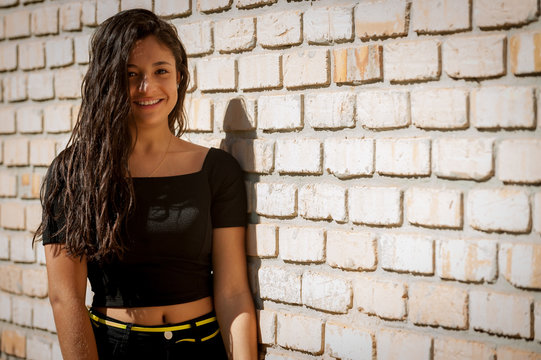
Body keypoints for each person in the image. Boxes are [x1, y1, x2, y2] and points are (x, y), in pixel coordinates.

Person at [33, 9, 257, 360]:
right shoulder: (74, 172)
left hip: (201, 346)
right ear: (108, 82)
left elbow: (232, 291)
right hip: (114, 348)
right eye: (131, 75)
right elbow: (66, 298)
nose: (146, 87)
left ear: (180, 77)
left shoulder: (217, 170)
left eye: (160, 71)